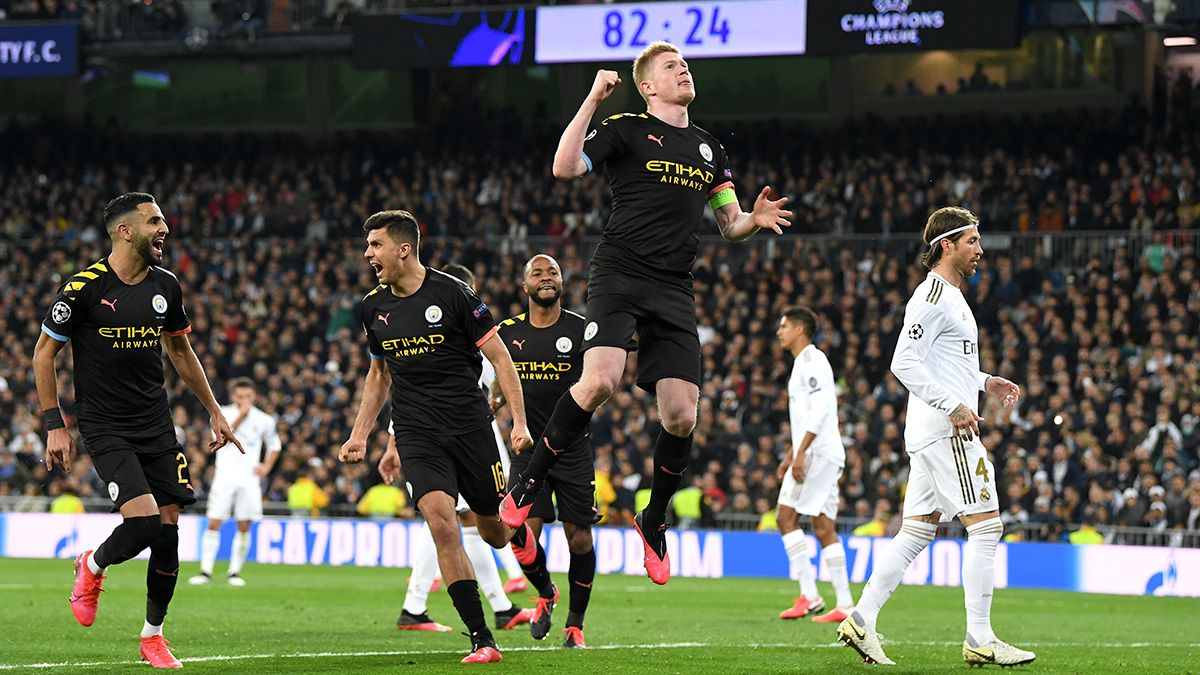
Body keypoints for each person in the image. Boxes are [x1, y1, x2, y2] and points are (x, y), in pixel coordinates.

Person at [500, 40, 792, 586]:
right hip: (619, 274)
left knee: (682, 415)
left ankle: (653, 519)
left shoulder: (709, 147)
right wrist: (592, 99)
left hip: (674, 288)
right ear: (648, 86)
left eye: (685, 64)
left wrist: (752, 218)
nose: (683, 70)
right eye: (670, 67)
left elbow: (728, 227)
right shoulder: (626, 127)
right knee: (602, 380)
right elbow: (565, 167)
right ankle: (526, 486)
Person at [33, 192, 243, 669]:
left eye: (163, 221)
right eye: (154, 222)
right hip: (106, 426)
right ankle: (91, 565)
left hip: (156, 424)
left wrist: (214, 410)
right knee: (145, 523)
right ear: (125, 231)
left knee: (168, 534)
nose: (164, 229)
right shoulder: (83, 287)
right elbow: (43, 354)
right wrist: (54, 425)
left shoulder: (166, 285)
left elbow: (181, 352)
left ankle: (153, 637)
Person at [340, 210, 552, 664]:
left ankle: (537, 570)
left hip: (470, 429)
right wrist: (362, 435)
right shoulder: (372, 306)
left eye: (375, 245)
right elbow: (378, 374)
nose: (367, 255)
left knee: (494, 533)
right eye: (367, 246)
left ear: (404, 248)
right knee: (441, 523)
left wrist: (518, 422)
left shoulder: (454, 294)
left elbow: (500, 359)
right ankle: (482, 638)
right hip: (419, 432)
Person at [836, 207, 1036, 668]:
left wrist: (986, 383)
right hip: (947, 431)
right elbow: (903, 361)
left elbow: (947, 364)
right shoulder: (931, 296)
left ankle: (861, 618)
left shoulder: (951, 295)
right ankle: (980, 638)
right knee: (987, 526)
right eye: (972, 242)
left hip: (930, 430)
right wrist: (954, 405)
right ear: (946, 245)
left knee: (916, 532)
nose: (980, 250)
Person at [390, 263, 532, 636]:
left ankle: (430, 605)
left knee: (473, 525)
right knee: (444, 523)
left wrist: (507, 408)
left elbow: (499, 375)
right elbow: (402, 387)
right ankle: (425, 606)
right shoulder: (430, 329)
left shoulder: (475, 342)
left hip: (473, 437)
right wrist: (392, 444)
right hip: (424, 439)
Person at [492, 254, 595, 647]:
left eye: (552, 272)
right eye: (537, 273)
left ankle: (575, 623)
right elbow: (502, 372)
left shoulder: (583, 330)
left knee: (580, 539)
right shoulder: (508, 331)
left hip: (572, 449)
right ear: (525, 286)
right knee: (517, 533)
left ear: (562, 282)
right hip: (529, 447)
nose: (546, 277)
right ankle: (546, 592)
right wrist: (496, 400)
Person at [773, 307, 855, 623]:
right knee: (823, 527)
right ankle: (846, 604)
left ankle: (809, 595)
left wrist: (802, 453)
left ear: (800, 329)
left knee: (785, 517)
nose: (780, 331)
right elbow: (809, 416)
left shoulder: (812, 361)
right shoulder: (802, 364)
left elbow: (821, 409)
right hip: (821, 451)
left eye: (784, 326)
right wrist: (792, 452)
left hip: (819, 453)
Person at [189, 377, 281, 587]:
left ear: (254, 396)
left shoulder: (265, 420)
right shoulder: (224, 414)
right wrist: (241, 415)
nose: (244, 400)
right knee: (214, 522)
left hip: (249, 480)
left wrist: (267, 466)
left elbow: (275, 444)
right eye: (240, 396)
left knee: (244, 524)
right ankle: (205, 571)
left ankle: (234, 572)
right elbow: (220, 436)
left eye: (248, 396)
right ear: (233, 397)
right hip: (225, 477)